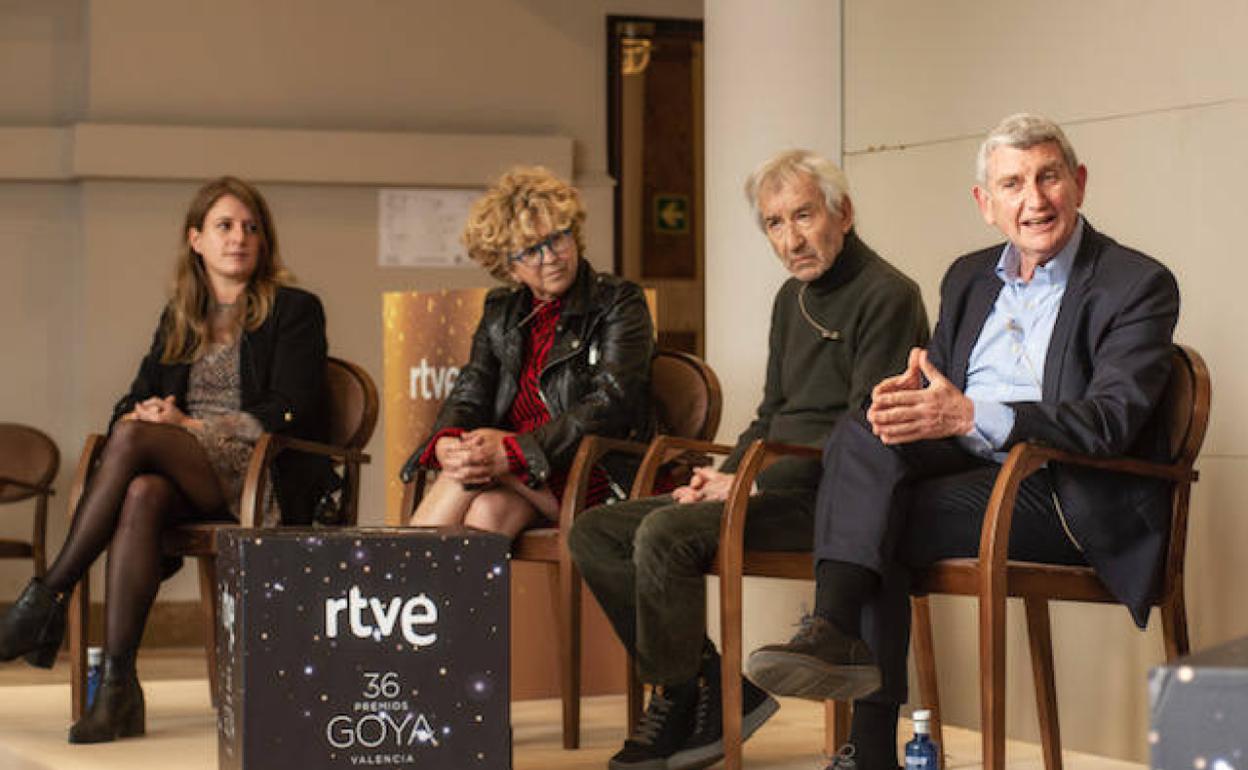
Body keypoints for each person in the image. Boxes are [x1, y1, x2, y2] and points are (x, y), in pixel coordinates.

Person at [747, 114, 1181, 770]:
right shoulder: (970, 277)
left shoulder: (1134, 283)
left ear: (1079, 183)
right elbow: (937, 390)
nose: (1033, 200)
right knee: (865, 429)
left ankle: (865, 744)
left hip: (1068, 489)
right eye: (1012, 184)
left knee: (878, 517)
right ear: (986, 204)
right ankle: (834, 633)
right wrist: (910, 402)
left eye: (1048, 177)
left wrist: (971, 412)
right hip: (971, 467)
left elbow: (1109, 421)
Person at [569, 150, 929, 770]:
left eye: (804, 216)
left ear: (843, 214)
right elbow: (769, 414)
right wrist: (725, 474)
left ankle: (690, 700)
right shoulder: (791, 301)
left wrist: (747, 481)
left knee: (664, 533)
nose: (791, 239)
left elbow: (865, 432)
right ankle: (700, 687)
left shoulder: (889, 295)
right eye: (774, 223)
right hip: (767, 480)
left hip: (833, 504)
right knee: (596, 531)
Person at [0, 176, 332, 744]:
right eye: (224, 226)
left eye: (251, 227)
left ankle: (48, 597)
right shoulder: (183, 315)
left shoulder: (294, 310)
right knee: (140, 488)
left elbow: (290, 408)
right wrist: (149, 409)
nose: (239, 238)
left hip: (257, 471)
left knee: (132, 441)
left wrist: (191, 426)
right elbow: (129, 400)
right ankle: (119, 691)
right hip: (181, 469)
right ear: (196, 239)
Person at [399, 166, 654, 538]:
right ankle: (431, 589)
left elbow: (611, 404)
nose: (550, 257)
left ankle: (402, 584)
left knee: (473, 470)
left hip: (590, 470)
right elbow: (471, 390)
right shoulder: (501, 311)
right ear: (509, 267)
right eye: (532, 249)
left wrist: (517, 450)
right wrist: (448, 443)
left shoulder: (618, 301)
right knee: (486, 511)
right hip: (515, 470)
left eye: (559, 238)